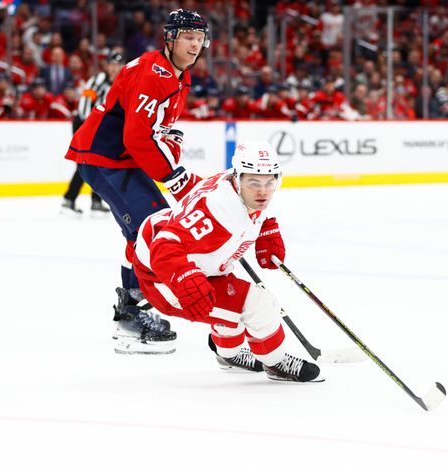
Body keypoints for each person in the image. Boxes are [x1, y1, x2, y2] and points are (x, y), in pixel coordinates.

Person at [64, 9, 210, 355]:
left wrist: (172, 153)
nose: (195, 45)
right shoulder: (154, 72)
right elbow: (137, 138)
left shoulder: (180, 75)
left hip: (121, 159)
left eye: (200, 38)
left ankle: (132, 308)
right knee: (151, 229)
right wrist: (173, 177)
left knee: (154, 227)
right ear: (170, 38)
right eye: (188, 37)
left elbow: (158, 129)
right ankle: (130, 315)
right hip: (103, 157)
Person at [131, 142, 323, 382]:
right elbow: (165, 246)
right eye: (254, 183)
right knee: (259, 305)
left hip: (203, 263)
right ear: (238, 177)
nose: (263, 191)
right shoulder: (219, 210)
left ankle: (228, 356)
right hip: (164, 278)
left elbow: (258, 202)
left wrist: (267, 227)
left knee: (232, 311)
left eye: (269, 182)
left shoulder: (236, 184)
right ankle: (275, 363)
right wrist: (185, 279)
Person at [60, 51, 125, 216]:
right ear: (107, 65)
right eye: (112, 64)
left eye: (118, 64)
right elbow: (85, 103)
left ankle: (94, 201)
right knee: (85, 162)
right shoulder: (98, 80)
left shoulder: (122, 82)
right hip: (85, 123)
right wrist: (90, 126)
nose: (115, 67)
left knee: (99, 162)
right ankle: (70, 200)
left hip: (99, 126)